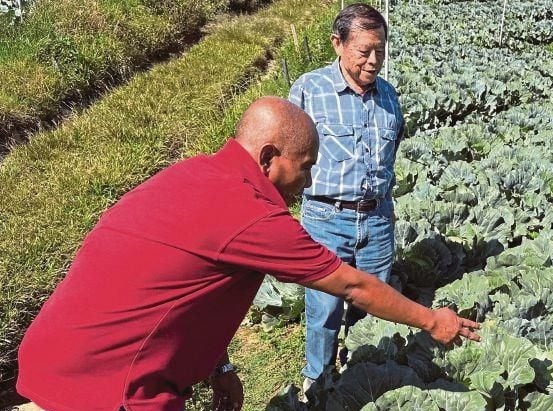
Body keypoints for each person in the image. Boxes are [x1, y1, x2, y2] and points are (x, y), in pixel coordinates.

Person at [15, 97, 479, 411]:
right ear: (269, 157)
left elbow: (185, 290)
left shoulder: (192, 173)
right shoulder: (252, 216)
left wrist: (219, 365)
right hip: (107, 386)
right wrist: (430, 320)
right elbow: (353, 285)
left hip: (53, 353)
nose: (308, 182)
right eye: (305, 167)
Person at [287, 4, 405, 390]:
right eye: (364, 51)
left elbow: (391, 153)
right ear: (338, 44)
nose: (374, 61)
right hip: (326, 218)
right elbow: (289, 154)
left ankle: (359, 374)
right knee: (324, 308)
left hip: (377, 218)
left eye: (380, 51)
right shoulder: (309, 90)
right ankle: (317, 381)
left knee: (374, 304)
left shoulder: (389, 97)